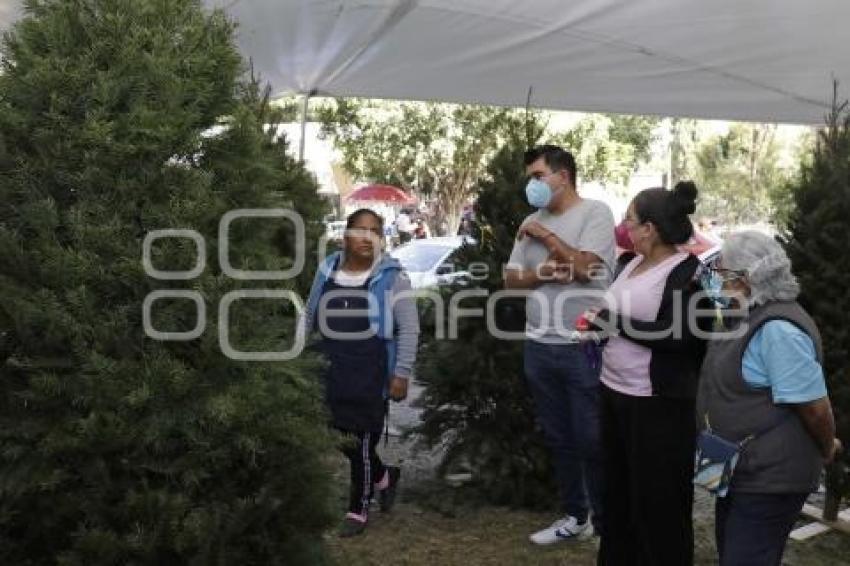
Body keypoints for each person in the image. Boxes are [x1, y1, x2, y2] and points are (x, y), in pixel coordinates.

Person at [697, 231, 841, 566]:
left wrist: (826, 448)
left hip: (769, 475)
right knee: (731, 550)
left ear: (747, 279)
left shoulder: (779, 330)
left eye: (721, 273)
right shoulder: (739, 315)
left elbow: (815, 409)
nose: (714, 279)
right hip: (734, 465)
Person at [587, 182, 712, 565]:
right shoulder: (628, 264)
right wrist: (597, 329)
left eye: (630, 219)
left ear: (650, 228)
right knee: (618, 495)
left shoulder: (690, 273)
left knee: (659, 503)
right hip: (614, 393)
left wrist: (613, 322)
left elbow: (681, 336)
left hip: (658, 406)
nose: (624, 225)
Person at [504, 144, 615, 543]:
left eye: (538, 176)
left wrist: (547, 237)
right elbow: (511, 280)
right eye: (531, 177)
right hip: (539, 344)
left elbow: (586, 269)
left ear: (562, 176)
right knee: (559, 436)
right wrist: (543, 274)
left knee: (591, 436)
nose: (532, 185)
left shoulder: (595, 213)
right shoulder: (530, 220)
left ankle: (608, 525)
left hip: (583, 344)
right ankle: (576, 516)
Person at [302, 208, 420, 537]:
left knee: (363, 440)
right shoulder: (327, 269)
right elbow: (310, 314)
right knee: (337, 433)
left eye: (375, 231)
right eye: (360, 229)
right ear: (346, 236)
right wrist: (296, 356)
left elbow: (409, 329)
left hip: (370, 371)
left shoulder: (393, 277)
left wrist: (401, 373)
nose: (367, 237)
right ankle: (385, 476)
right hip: (329, 367)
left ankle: (358, 508)